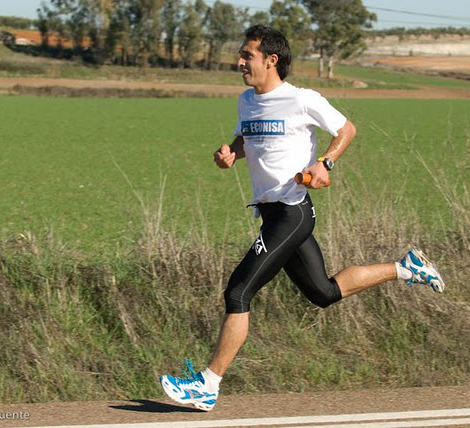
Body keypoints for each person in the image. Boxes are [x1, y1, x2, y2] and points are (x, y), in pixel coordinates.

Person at [159, 25, 444, 412]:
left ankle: (207, 385)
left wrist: (325, 163)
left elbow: (346, 129)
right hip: (271, 214)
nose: (240, 62)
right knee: (323, 293)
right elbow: (248, 137)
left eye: (248, 55)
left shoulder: (301, 100)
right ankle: (406, 267)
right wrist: (231, 153)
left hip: (291, 213)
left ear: (271, 60)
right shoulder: (246, 100)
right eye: (241, 55)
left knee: (238, 292)